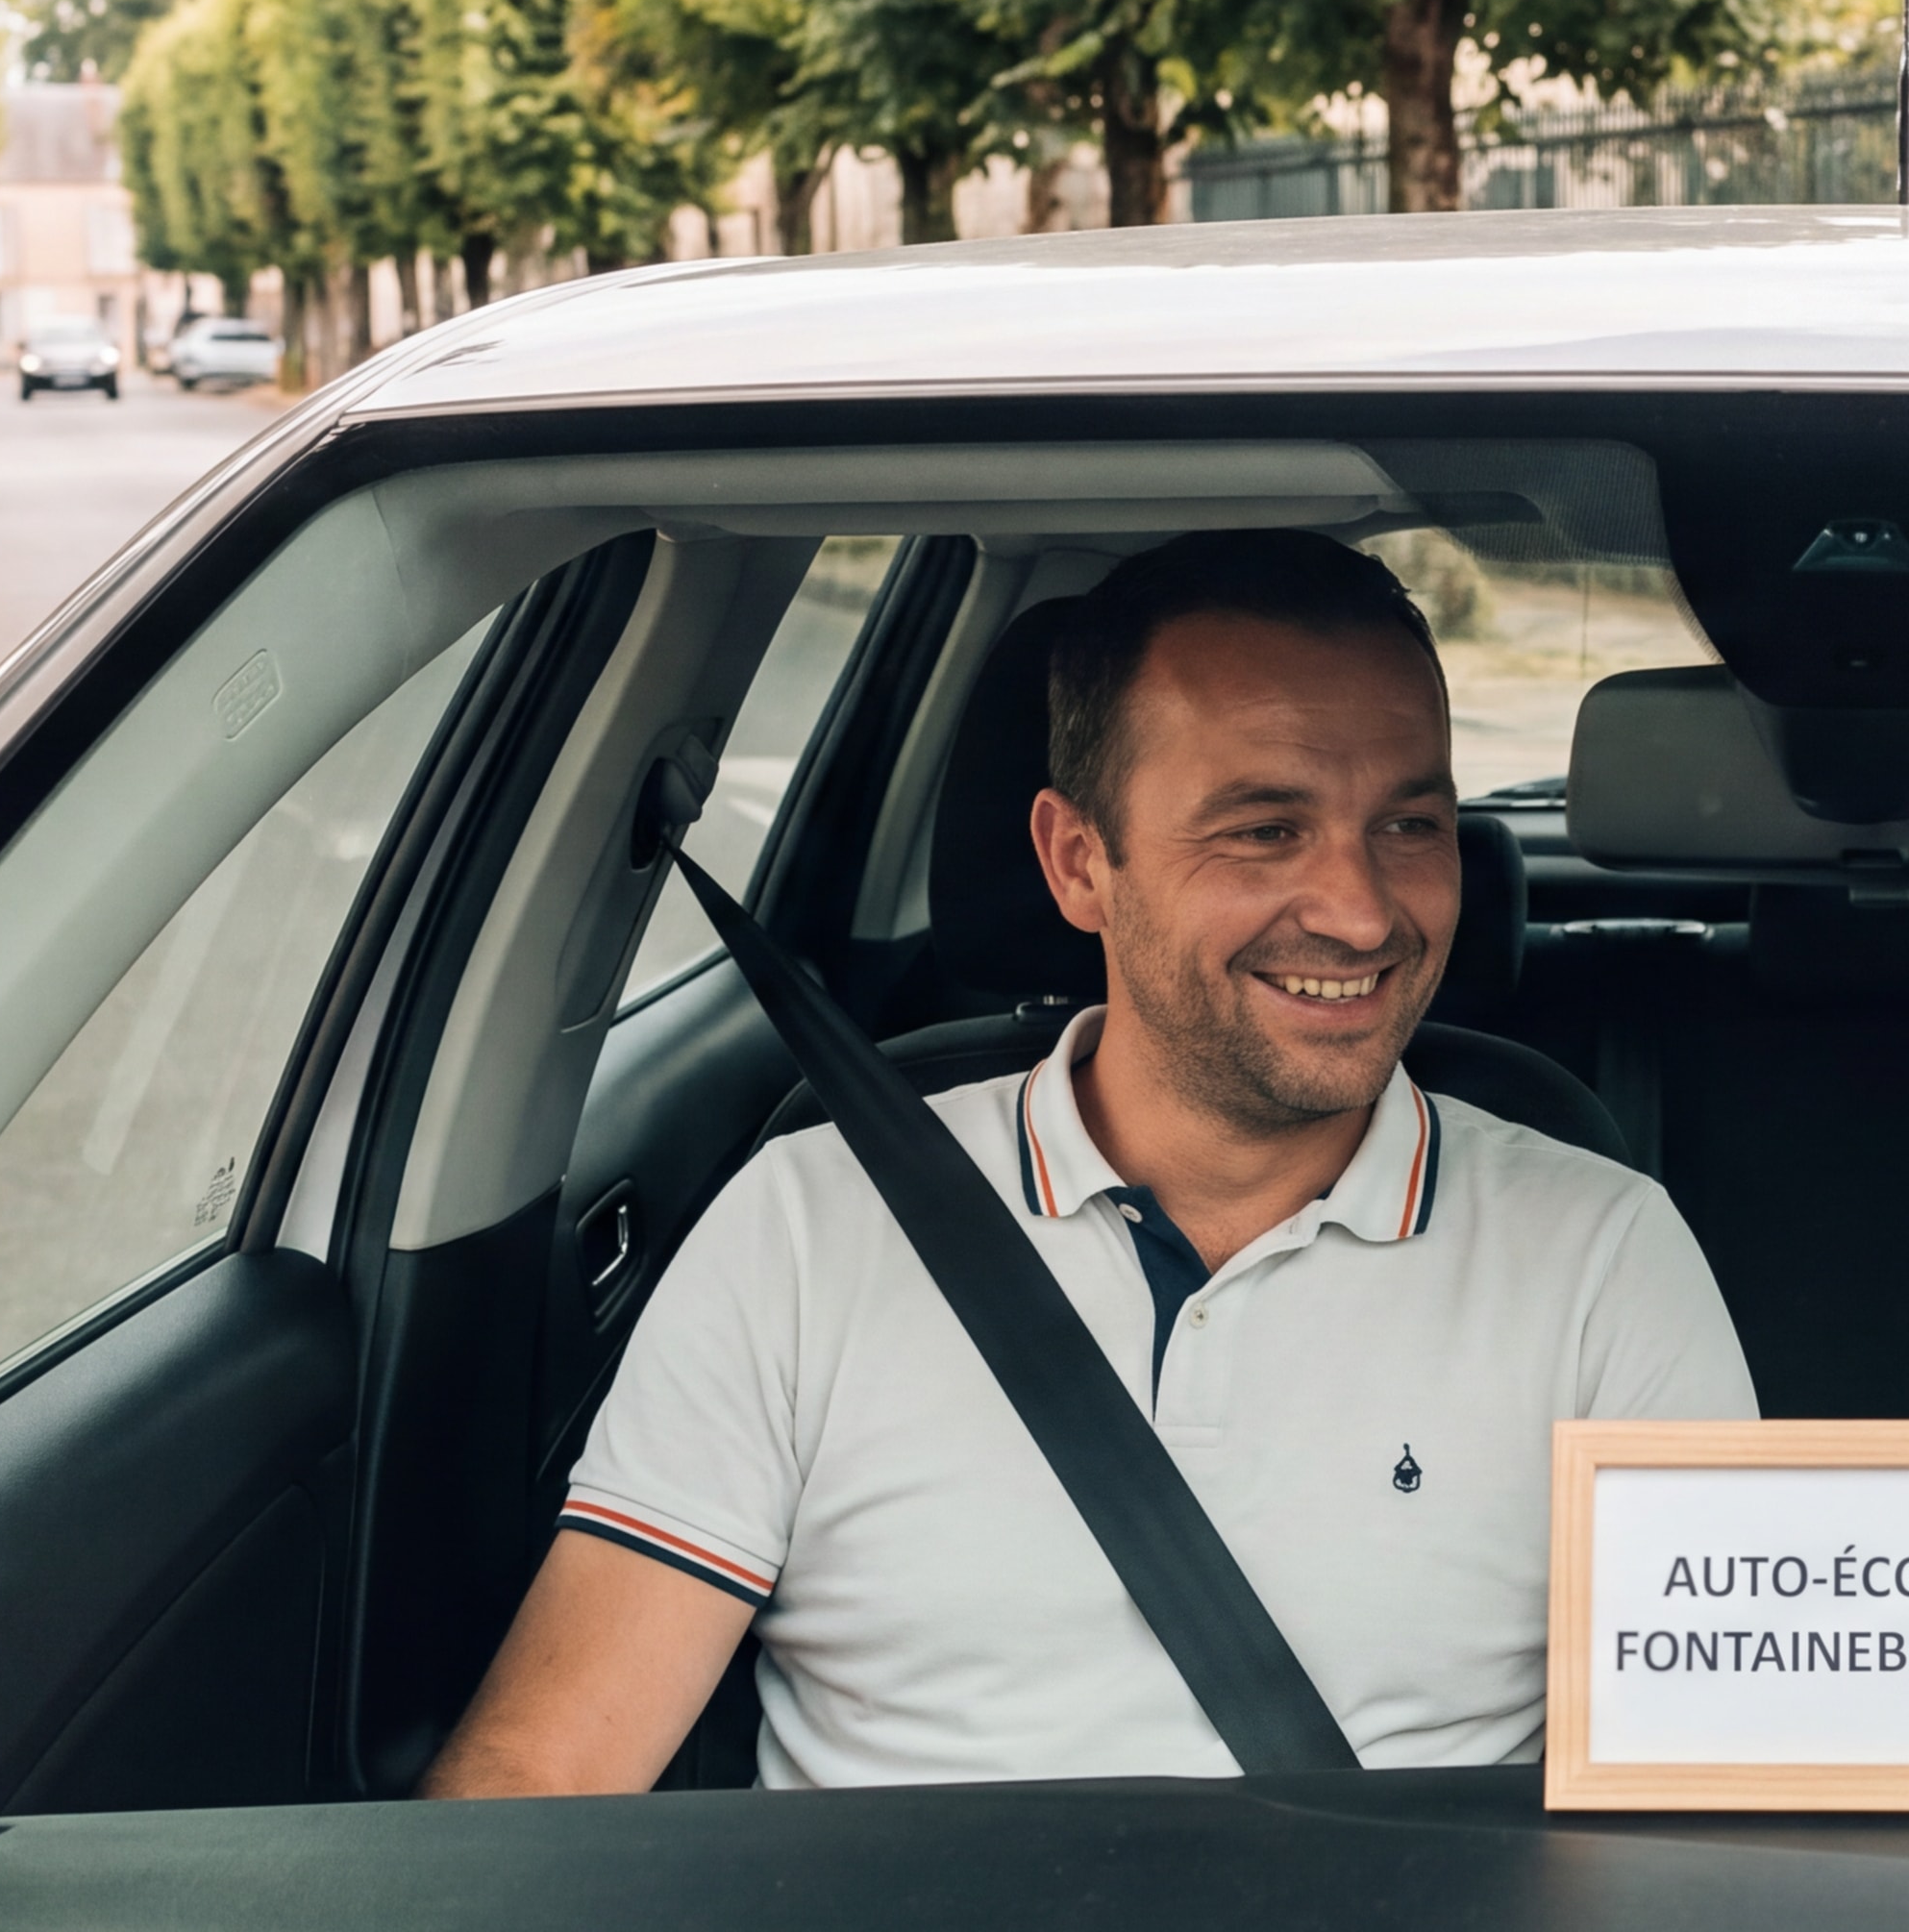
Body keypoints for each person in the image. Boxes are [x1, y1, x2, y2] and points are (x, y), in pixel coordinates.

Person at [429, 529, 1758, 1795]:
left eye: (1410, 826)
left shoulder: (1601, 1255)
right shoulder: (810, 1227)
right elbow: (544, 1773)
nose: (1361, 912)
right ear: (1078, 862)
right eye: (1263, 829)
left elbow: (1695, 1795)